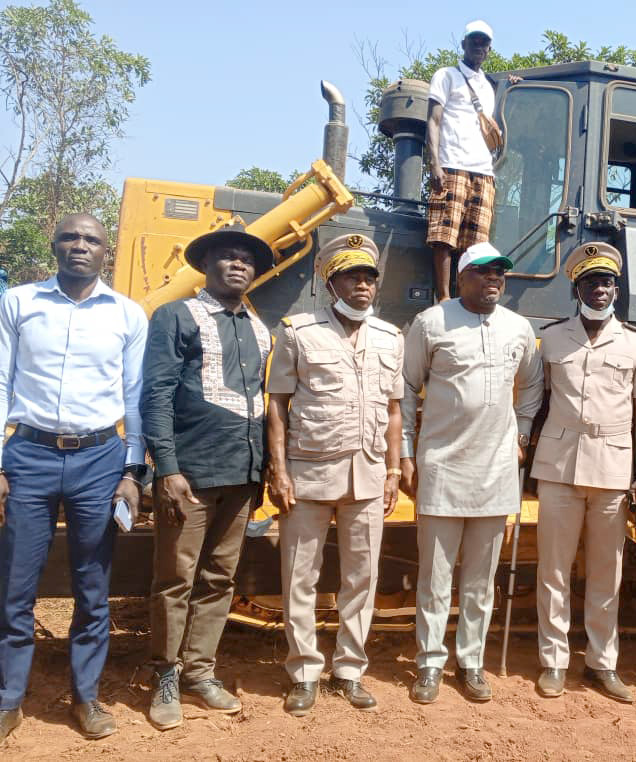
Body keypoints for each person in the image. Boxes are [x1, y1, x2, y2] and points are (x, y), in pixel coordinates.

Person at [0, 214, 147, 740]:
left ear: (106, 251)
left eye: (91, 239)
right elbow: (1, 379)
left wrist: (133, 470)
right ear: (54, 244)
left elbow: (134, 397)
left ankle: (86, 697)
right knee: (16, 584)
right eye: (70, 237)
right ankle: (8, 699)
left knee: (92, 586)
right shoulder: (18, 303)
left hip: (99, 458)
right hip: (30, 455)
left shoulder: (127, 315)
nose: (80, 246)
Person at [142, 223, 274, 730]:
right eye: (228, 255)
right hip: (190, 475)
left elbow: (260, 406)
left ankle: (199, 671)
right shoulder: (178, 315)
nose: (239, 264)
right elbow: (155, 395)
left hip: (241, 476)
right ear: (207, 263)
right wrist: (167, 469)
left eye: (247, 259)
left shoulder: (260, 328)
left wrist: (262, 471)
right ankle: (165, 675)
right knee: (175, 578)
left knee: (219, 578)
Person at [265, 234, 404, 716]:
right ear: (331, 282)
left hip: (366, 476)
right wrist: (279, 470)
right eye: (352, 276)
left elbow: (393, 412)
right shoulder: (299, 332)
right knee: (299, 576)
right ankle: (303, 670)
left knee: (361, 578)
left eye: (368, 276)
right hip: (309, 472)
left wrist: (391, 470)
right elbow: (277, 405)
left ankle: (349, 669)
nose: (362, 284)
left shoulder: (390, 337)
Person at [400, 241, 542, 704]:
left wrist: (520, 434)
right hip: (442, 466)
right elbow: (405, 389)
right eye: (482, 272)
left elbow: (533, 384)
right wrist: (405, 452)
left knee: (481, 580)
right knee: (436, 577)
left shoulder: (519, 328)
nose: (493, 279)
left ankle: (472, 661)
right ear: (461, 279)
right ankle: (429, 663)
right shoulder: (432, 322)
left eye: (499, 272)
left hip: (496, 468)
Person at [532, 243, 636, 704]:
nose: (599, 289)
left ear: (616, 289)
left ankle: (602, 664)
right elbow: (537, 401)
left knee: (608, 572)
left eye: (606, 282)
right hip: (559, 465)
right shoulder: (553, 339)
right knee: (554, 570)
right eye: (590, 282)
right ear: (576, 288)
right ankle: (554, 661)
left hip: (612, 466)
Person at [426, 20, 500, 302]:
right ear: (463, 44)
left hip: (483, 171)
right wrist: (434, 163)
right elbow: (433, 120)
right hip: (452, 164)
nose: (478, 46)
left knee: (476, 244)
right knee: (444, 237)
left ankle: (466, 300)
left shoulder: (488, 87)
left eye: (483, 43)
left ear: (489, 49)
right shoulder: (446, 75)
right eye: (474, 41)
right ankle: (444, 298)